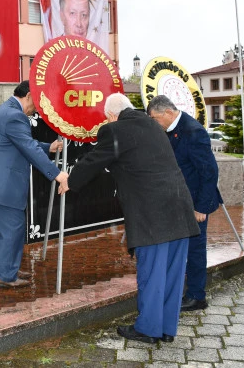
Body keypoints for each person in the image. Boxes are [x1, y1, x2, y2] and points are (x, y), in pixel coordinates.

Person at [59, 93, 199, 343]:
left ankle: (148, 329)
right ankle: (167, 328)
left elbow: (94, 160)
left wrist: (71, 180)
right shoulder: (153, 126)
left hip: (153, 215)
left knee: (152, 273)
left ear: (112, 115)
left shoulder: (115, 130)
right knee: (173, 274)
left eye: (107, 118)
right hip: (180, 208)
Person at [0, 81, 68, 288]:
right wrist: (57, 174)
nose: (38, 108)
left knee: (14, 228)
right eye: (37, 102)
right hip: (1, 186)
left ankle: (9, 268)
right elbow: (28, 147)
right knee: (12, 229)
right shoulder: (14, 116)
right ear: (28, 96)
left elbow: (22, 143)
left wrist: (48, 147)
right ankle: (4, 276)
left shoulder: (8, 111)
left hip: (0, 185)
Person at [147, 95, 222, 312]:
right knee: (180, 248)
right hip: (178, 201)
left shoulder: (193, 131)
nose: (154, 123)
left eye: (155, 118)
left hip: (194, 204)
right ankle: (180, 291)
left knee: (195, 250)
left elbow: (209, 171)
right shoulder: (172, 129)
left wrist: (201, 207)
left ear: (168, 113)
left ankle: (197, 297)